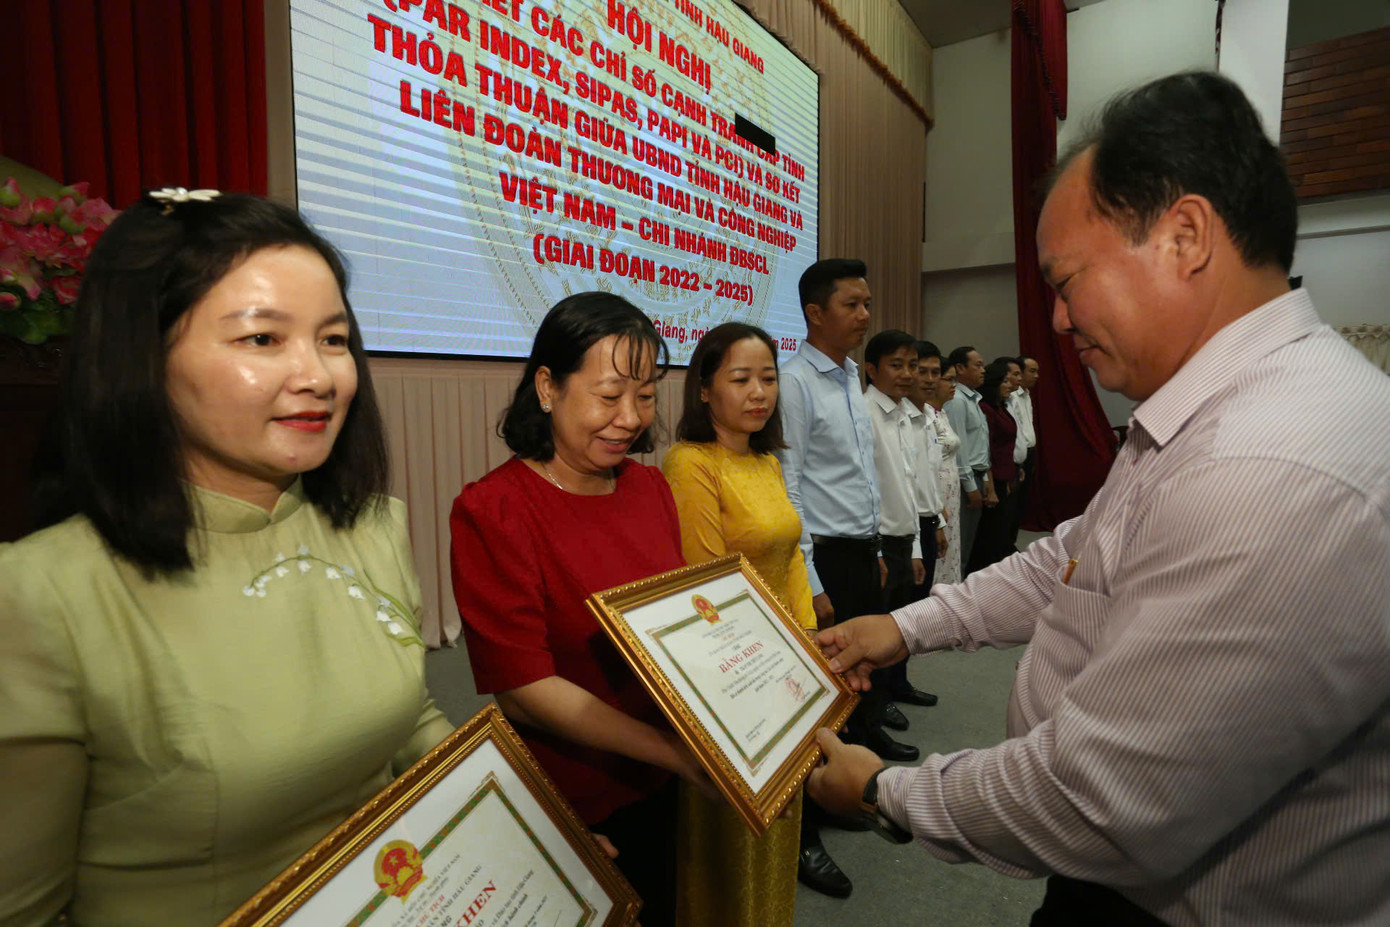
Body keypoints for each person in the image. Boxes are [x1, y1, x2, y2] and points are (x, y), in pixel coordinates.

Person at [806, 72, 1389, 925]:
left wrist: (888, 792)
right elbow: (1069, 559)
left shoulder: (1266, 467)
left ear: (1185, 236)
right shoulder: (1208, 413)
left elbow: (1102, 799)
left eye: (1067, 278)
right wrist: (905, 625)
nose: (1058, 318)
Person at [0, 192, 455, 925]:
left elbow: (410, 721)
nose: (319, 376)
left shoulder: (373, 526)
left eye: (334, 340)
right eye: (262, 340)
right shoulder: (38, 595)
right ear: (142, 356)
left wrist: (523, 817)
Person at [449, 294, 706, 927]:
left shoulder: (649, 488)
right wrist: (676, 754)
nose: (629, 419)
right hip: (576, 794)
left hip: (666, 775)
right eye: (609, 395)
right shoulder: (495, 510)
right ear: (547, 387)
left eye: (645, 397)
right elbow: (524, 689)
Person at [661, 322, 812, 927]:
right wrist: (772, 660)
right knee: (731, 828)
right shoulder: (692, 463)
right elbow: (709, 583)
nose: (759, 393)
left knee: (781, 819)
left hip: (787, 666)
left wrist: (809, 649)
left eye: (769, 378)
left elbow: (792, 558)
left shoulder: (768, 463)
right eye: (741, 378)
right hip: (733, 668)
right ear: (703, 389)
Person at [777, 257, 904, 900]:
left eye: (867, 303)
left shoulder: (852, 376)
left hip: (859, 549)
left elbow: (859, 472)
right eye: (853, 304)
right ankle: (805, 823)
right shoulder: (795, 382)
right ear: (815, 313)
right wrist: (811, 577)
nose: (864, 316)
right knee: (818, 693)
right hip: (821, 556)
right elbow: (791, 484)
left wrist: (878, 543)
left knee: (854, 681)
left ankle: (839, 792)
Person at [862, 330, 936, 715]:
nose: (907, 374)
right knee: (878, 629)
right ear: (872, 370)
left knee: (902, 623)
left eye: (911, 365)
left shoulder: (906, 414)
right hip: (880, 542)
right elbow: (866, 488)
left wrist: (917, 548)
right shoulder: (866, 414)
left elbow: (908, 488)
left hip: (905, 538)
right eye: (896, 365)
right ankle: (879, 704)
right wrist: (876, 550)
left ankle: (898, 686)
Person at [905, 340, 949, 604]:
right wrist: (915, 547)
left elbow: (930, 478)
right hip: (908, 530)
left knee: (922, 598)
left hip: (929, 522)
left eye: (936, 372)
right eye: (923, 371)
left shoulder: (929, 417)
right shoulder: (900, 418)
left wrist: (939, 523)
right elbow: (905, 486)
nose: (931, 379)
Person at [943, 346, 993, 569]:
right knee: (959, 545)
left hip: (976, 476)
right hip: (965, 480)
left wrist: (985, 481)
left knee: (969, 543)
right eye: (978, 365)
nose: (984, 370)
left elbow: (980, 446)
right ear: (960, 368)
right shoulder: (957, 400)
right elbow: (959, 447)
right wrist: (971, 486)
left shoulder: (972, 398)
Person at [966, 359, 1019, 572]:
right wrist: (989, 482)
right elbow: (985, 448)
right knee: (989, 534)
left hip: (1005, 474)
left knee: (1001, 530)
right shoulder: (986, 408)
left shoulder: (1000, 407)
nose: (1009, 385)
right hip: (992, 477)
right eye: (1004, 381)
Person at [926, 360, 963, 586]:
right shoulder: (927, 415)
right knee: (939, 554)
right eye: (948, 379)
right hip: (938, 495)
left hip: (951, 494)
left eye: (954, 380)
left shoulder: (943, 413)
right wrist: (938, 506)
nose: (953, 385)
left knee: (951, 550)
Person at [1009, 355, 1039, 544]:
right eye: (1032, 371)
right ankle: (1004, 544)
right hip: (1016, 455)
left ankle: (1011, 543)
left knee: (1021, 504)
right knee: (1011, 505)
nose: (1037, 376)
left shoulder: (1027, 395)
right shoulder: (1012, 395)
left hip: (1029, 453)